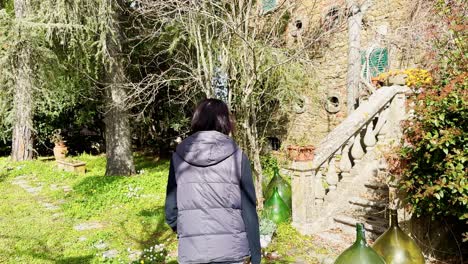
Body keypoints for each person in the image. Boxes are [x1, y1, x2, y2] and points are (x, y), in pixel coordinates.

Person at [165, 98, 261, 264]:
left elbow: (171, 212)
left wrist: (187, 230)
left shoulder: (178, 157)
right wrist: (256, 255)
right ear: (225, 121)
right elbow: (249, 212)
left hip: (192, 253)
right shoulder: (238, 158)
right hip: (232, 251)